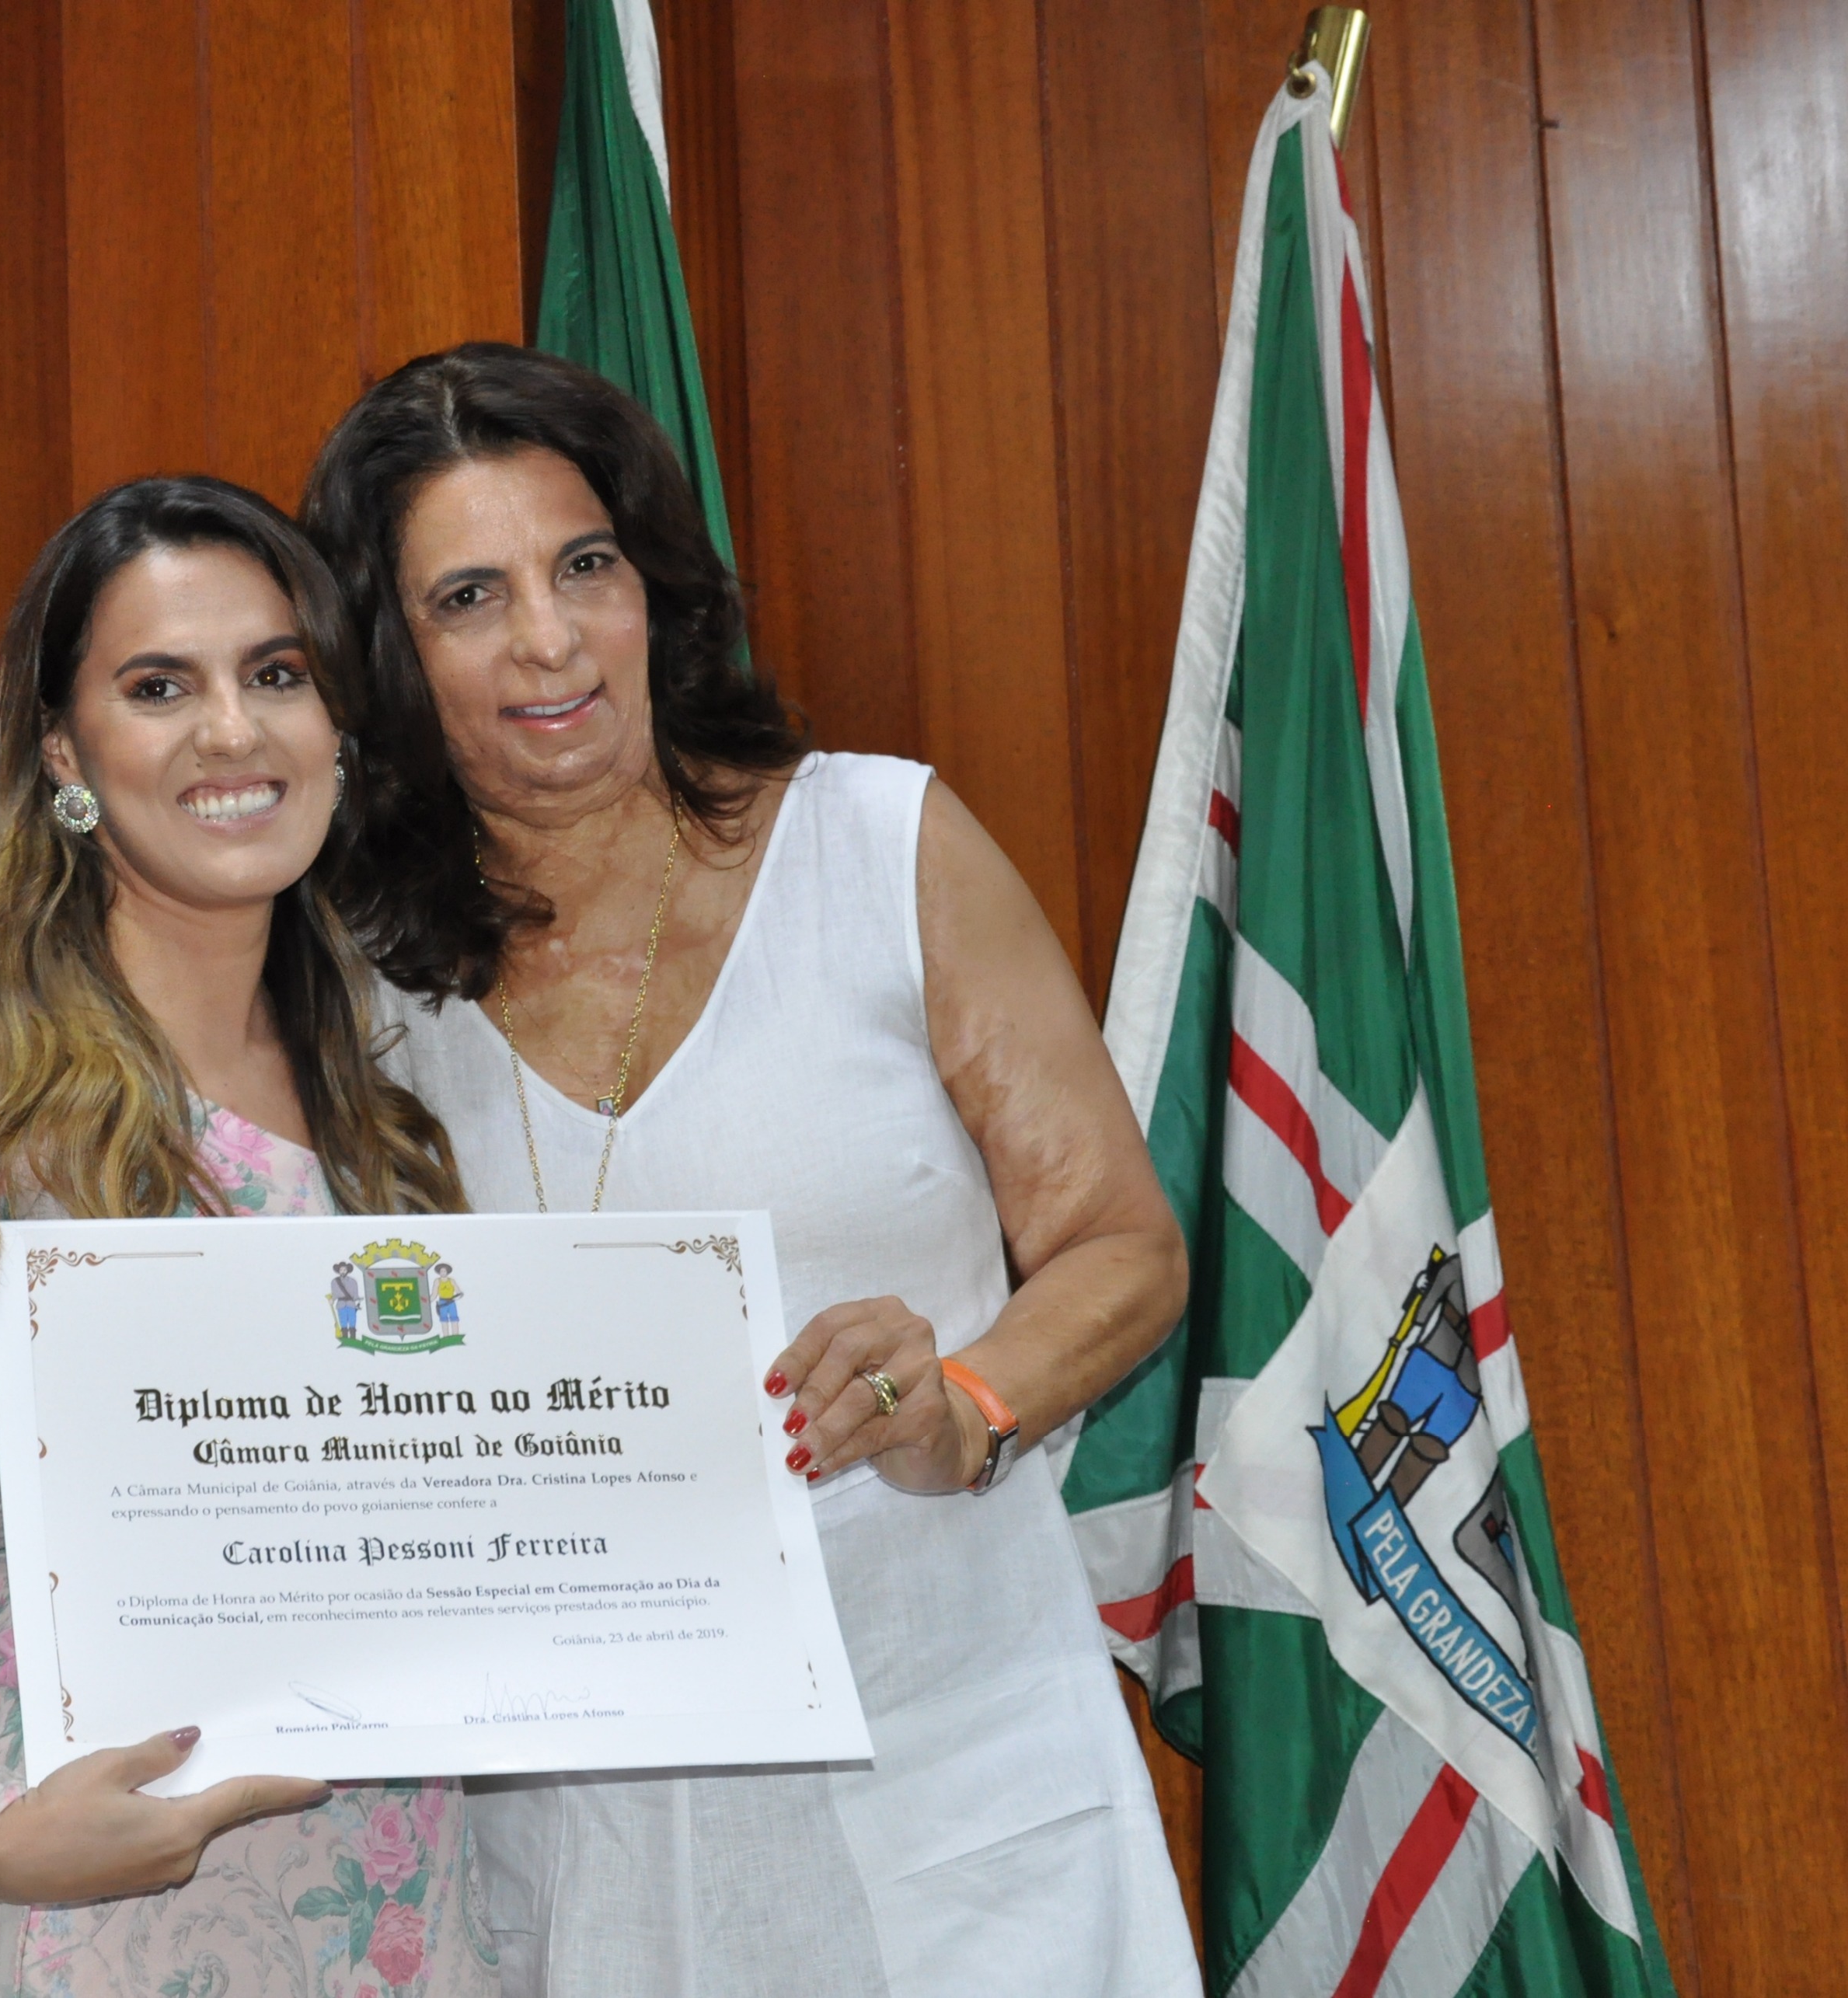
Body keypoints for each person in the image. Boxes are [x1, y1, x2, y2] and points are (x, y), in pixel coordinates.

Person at [302, 343, 1201, 1997]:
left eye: (586, 565)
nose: (552, 637)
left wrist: (967, 1403)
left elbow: (1120, 1242)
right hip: (572, 1840)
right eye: (470, 598)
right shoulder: (347, 983)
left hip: (951, 1770)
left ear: (655, 583)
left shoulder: (879, 843)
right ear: (387, 657)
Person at [0, 476, 497, 1998]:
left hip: (400, 1898)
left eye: (276, 673)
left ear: (340, 727)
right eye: (159, 687)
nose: (232, 730)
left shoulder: (407, 1080)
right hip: (86, 1894)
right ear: (65, 756)